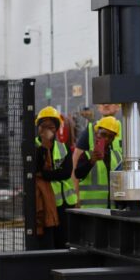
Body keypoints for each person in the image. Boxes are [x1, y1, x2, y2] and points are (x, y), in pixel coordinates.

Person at [35, 106, 73, 248]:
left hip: (65, 202)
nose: (47, 131)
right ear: (38, 129)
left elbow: (66, 173)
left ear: (56, 128)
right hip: (45, 202)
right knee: (46, 240)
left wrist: (44, 175)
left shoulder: (63, 147)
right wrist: (44, 147)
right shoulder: (33, 146)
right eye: (43, 127)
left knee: (64, 240)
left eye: (50, 127)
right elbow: (34, 169)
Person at [75, 116, 122, 209]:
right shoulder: (87, 155)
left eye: (111, 136)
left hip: (111, 210)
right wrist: (91, 161)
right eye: (104, 134)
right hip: (90, 210)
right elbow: (78, 174)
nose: (107, 139)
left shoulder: (118, 156)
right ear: (97, 134)